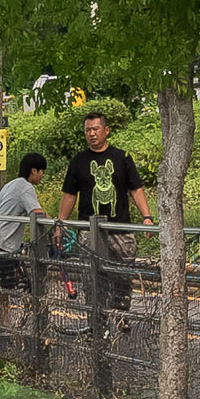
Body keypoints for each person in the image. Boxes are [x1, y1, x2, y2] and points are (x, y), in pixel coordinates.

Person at [56, 112, 153, 326]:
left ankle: (121, 315)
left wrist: (147, 217)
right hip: (89, 230)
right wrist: (60, 222)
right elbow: (70, 194)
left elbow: (136, 189)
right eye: (87, 130)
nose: (91, 133)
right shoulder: (78, 161)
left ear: (106, 131)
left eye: (95, 129)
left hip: (120, 229)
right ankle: (97, 323)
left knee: (123, 276)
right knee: (91, 278)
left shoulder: (122, 157)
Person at [0, 152, 50, 305]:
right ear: (34, 171)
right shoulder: (26, 188)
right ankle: (23, 316)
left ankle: (3, 317)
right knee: (18, 289)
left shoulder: (11, 184)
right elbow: (36, 212)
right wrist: (56, 224)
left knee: (4, 287)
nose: (42, 176)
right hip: (6, 246)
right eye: (42, 172)